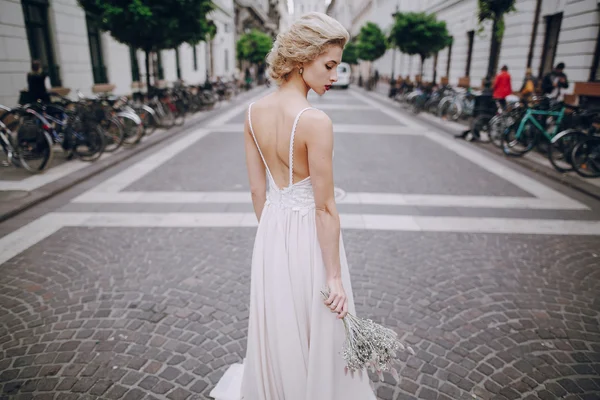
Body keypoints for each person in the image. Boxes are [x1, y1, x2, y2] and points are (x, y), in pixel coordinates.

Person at [213, 12, 377, 400]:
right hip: (308, 235)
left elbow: (257, 190)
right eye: (330, 65)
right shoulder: (315, 121)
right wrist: (334, 275)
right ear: (304, 58)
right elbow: (325, 208)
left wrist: (273, 235)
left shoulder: (252, 113)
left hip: (272, 232)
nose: (334, 76)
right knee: (318, 323)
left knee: (280, 323)